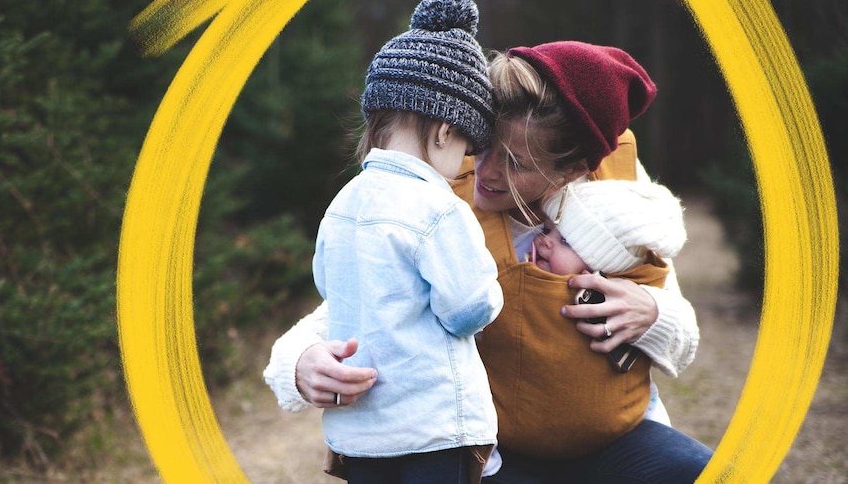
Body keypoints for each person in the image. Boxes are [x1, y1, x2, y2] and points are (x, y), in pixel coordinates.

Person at [265, 40, 713, 482]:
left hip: (618, 443)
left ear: (574, 168)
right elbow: (355, 296)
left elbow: (684, 338)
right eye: (483, 146)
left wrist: (654, 315)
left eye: (516, 162)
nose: (486, 170)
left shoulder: (618, 200)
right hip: (495, 452)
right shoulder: (438, 201)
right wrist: (299, 363)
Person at [306, 0, 503, 482]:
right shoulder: (437, 207)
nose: (465, 165)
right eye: (466, 149)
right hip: (434, 430)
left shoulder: (341, 204)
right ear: (443, 132)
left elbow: (328, 288)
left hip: (360, 434)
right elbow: (468, 309)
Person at [533, 179, 687, 420]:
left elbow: (683, 346)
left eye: (565, 241)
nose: (545, 240)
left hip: (630, 417)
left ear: (599, 267)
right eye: (545, 229)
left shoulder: (615, 298)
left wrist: (656, 315)